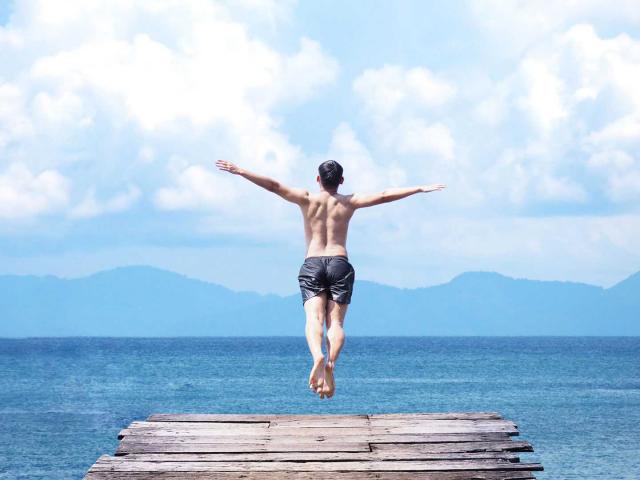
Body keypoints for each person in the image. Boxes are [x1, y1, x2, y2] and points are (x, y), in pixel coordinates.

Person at [216, 159, 446, 399]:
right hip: (339, 263)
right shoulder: (349, 202)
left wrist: (241, 171)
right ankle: (331, 364)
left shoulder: (306, 198)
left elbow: (273, 186)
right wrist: (418, 188)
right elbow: (385, 195)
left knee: (313, 318)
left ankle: (317, 355)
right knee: (335, 323)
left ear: (318, 179)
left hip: (313, 263)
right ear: (341, 181)